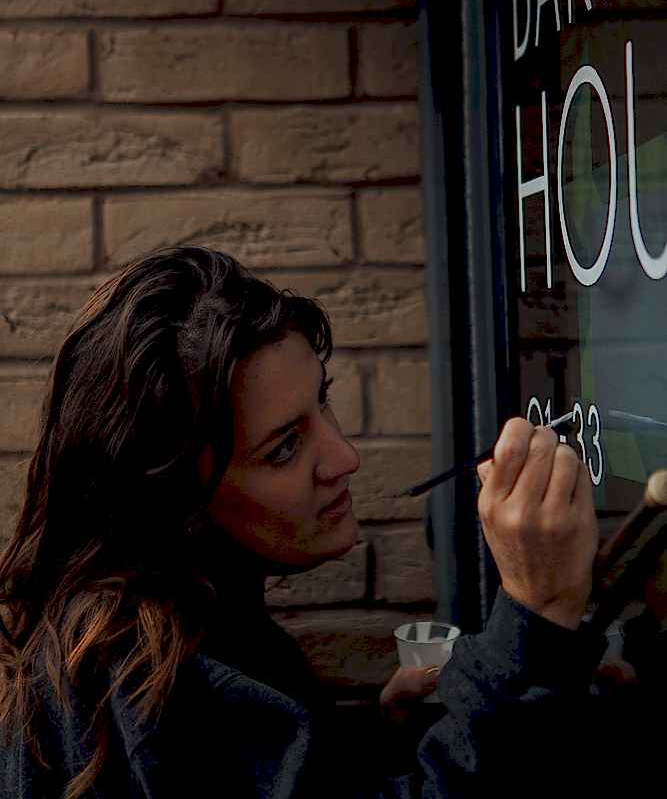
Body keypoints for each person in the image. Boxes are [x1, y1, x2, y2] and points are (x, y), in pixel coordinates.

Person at [0, 245, 607, 798]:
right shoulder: (147, 684)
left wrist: (372, 743)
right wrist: (536, 613)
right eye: (284, 448)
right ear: (176, 506)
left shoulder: (165, 626)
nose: (346, 457)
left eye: (323, 401)